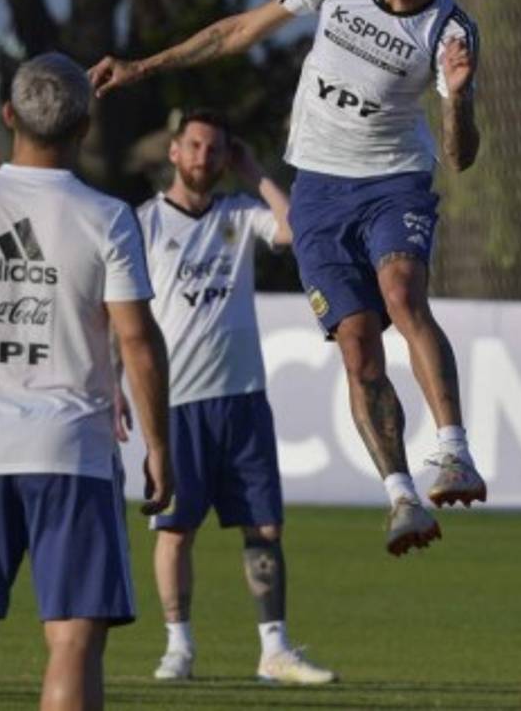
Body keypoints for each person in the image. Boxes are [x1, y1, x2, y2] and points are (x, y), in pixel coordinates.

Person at [90, 0, 488, 557]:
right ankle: (402, 498)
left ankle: (454, 451)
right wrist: (142, 68)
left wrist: (459, 99)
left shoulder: (449, 30)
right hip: (319, 192)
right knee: (357, 349)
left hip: (393, 181)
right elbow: (239, 31)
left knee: (402, 293)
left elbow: (461, 155)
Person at [0, 52, 173, 711]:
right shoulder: (107, 216)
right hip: (69, 450)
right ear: (84, 127)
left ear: (8, 116)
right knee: (71, 641)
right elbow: (137, 342)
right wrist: (159, 448)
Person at [119, 109, 336, 685]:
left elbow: (294, 230)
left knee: (264, 528)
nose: (203, 158)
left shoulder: (240, 214)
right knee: (174, 529)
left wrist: (254, 170)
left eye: (215, 150)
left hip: (243, 399)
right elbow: (120, 315)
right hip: (177, 404)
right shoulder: (144, 224)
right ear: (173, 151)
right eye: (194, 146)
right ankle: (179, 648)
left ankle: (275, 650)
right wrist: (114, 385)